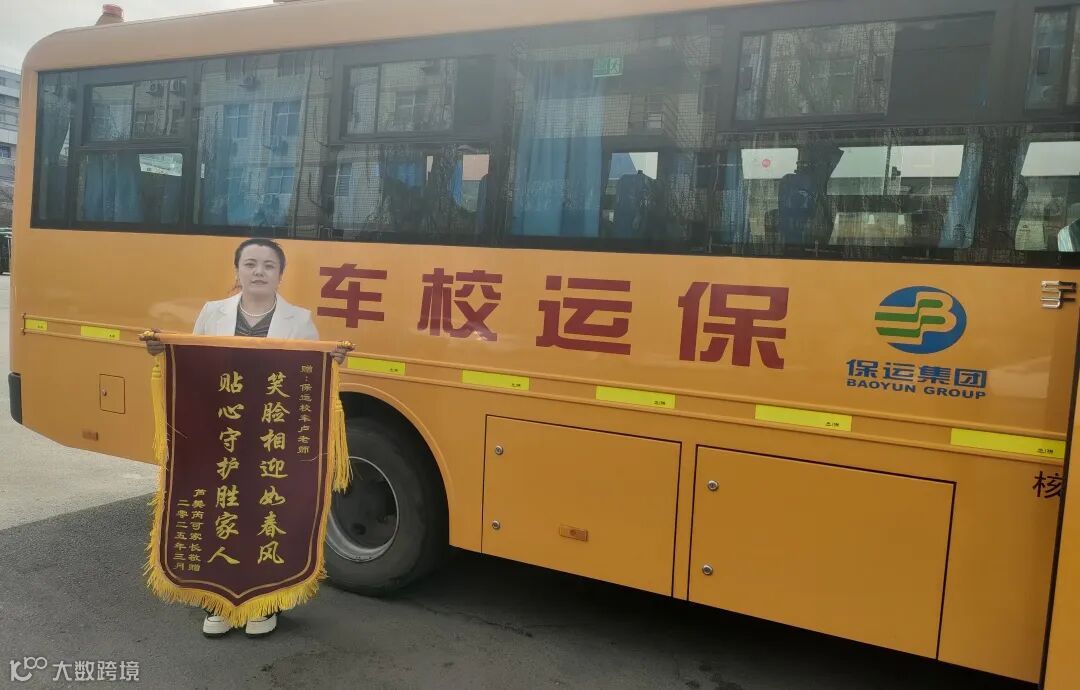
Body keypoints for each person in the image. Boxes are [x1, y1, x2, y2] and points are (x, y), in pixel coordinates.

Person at [146, 237, 347, 638]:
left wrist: (332, 360)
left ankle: (263, 606)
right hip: (220, 436)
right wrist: (162, 351)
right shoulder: (212, 312)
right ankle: (217, 604)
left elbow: (309, 380)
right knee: (220, 511)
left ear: (280, 275)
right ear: (237, 270)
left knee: (264, 514)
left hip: (271, 439)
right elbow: (194, 366)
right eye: (251, 263)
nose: (259, 272)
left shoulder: (299, 320)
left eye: (269, 265)